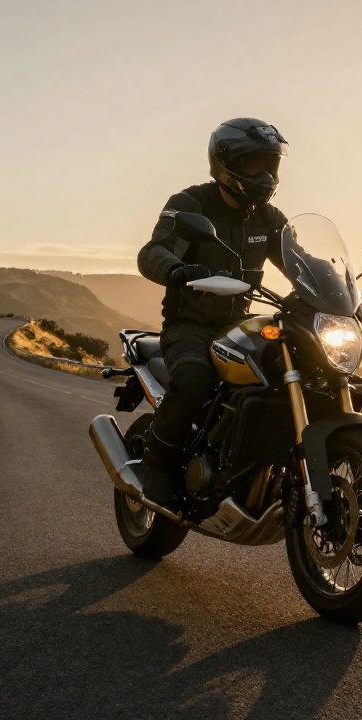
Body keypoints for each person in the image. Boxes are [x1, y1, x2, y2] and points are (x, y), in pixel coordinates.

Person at [135, 118, 290, 507]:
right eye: (254, 163)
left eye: (269, 164)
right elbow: (154, 251)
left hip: (241, 325)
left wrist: (338, 285)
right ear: (226, 163)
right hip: (191, 325)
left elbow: (300, 261)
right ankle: (156, 464)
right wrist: (176, 269)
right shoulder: (191, 204)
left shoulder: (270, 219)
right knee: (193, 380)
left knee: (288, 376)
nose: (264, 174)